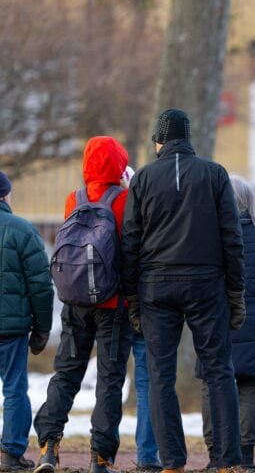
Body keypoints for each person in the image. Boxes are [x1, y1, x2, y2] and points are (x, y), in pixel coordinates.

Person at [121, 109, 246, 473]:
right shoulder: (215, 174)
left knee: (160, 374)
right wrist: (235, 291)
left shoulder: (143, 179)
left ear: (158, 141)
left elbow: (130, 242)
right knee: (219, 369)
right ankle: (227, 461)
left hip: (156, 285)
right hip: (206, 283)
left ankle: (173, 462)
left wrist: (132, 297)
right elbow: (232, 238)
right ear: (187, 139)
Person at [34, 137, 134, 473]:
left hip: (75, 301)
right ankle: (100, 457)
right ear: (119, 163)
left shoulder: (72, 200)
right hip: (113, 303)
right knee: (109, 380)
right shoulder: (125, 200)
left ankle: (48, 446)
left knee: (66, 374)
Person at [199, 175, 255, 472]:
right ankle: (245, 457)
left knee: (212, 385)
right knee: (251, 388)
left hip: (216, 321)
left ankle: (216, 454)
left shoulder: (209, 238)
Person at [0, 171, 53, 471]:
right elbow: (41, 286)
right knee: (14, 389)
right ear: (5, 195)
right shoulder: (21, 230)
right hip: (11, 330)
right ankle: (11, 453)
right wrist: (42, 328)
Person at [120, 166, 162, 473]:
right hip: (145, 304)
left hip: (111, 305)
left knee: (109, 382)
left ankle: (101, 455)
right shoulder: (151, 213)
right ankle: (147, 456)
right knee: (147, 383)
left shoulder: (102, 207)